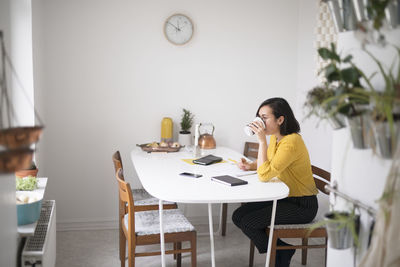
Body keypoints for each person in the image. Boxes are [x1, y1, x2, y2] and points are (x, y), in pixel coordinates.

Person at [232, 97, 319, 267]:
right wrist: (250, 166)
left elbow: (265, 175)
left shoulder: (291, 142)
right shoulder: (276, 138)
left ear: (280, 119)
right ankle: (282, 250)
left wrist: (261, 141)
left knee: (249, 223)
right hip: (284, 197)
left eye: (264, 117)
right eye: (259, 117)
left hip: (302, 205)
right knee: (238, 216)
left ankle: (279, 254)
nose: (260, 121)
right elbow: (269, 164)